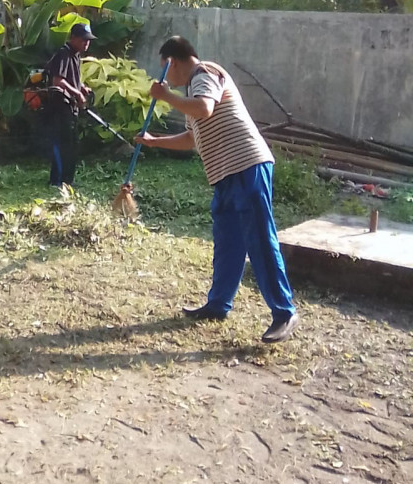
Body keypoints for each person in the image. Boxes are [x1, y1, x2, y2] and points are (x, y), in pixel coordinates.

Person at [135, 36, 299, 344]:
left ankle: (284, 311)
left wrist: (166, 95)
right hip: (224, 174)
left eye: (166, 70)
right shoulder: (191, 91)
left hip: (247, 165)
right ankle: (218, 304)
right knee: (228, 242)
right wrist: (155, 141)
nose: (166, 78)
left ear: (175, 61)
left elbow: (205, 109)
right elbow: (191, 138)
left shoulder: (205, 74)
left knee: (260, 240)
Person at [44, 22, 96, 187]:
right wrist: (77, 93)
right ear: (73, 38)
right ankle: (56, 181)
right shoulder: (64, 54)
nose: (86, 43)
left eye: (88, 40)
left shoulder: (75, 55)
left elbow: (70, 78)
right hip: (59, 107)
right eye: (83, 40)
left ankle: (68, 181)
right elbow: (57, 81)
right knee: (63, 145)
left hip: (69, 107)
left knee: (72, 144)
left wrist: (82, 87)